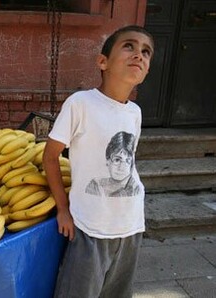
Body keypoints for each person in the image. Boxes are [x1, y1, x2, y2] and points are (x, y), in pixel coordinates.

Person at [42, 25, 154, 298]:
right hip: (91, 227)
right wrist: (63, 209)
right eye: (129, 46)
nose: (138, 54)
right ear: (102, 62)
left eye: (146, 52)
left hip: (131, 225)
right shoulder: (80, 103)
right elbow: (50, 156)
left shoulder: (135, 113)